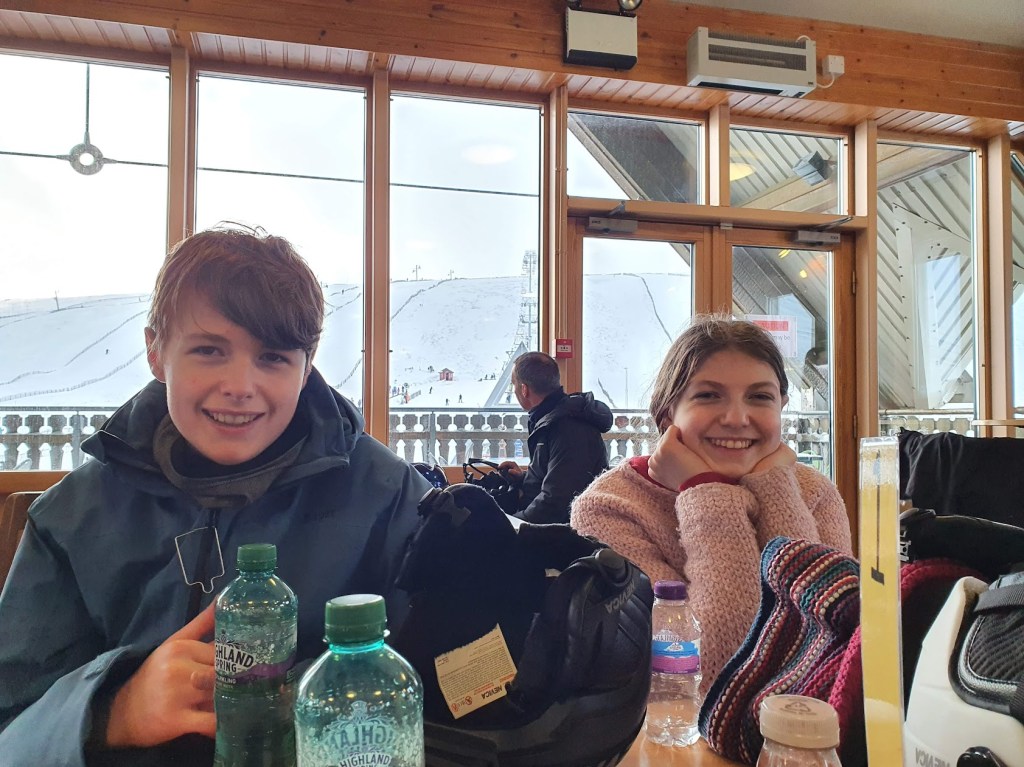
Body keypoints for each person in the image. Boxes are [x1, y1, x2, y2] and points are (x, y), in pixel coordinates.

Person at [0, 226, 430, 767]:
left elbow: (445, 689)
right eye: (209, 350)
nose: (240, 385)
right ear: (156, 352)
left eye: (272, 357)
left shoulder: (387, 495)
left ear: (307, 363)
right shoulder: (71, 518)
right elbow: (11, 722)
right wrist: (114, 711)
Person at [570, 315, 852, 691]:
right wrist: (705, 491)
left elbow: (828, 654)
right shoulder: (610, 509)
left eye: (760, 397)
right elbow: (706, 673)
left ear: (782, 406)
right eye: (708, 395)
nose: (736, 418)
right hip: (678, 742)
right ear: (667, 412)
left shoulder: (814, 493)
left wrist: (776, 489)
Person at [499, 351, 612, 525]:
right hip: (548, 530)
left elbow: (555, 504)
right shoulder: (552, 418)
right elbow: (559, 478)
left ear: (524, 389)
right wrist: (524, 478)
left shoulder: (569, 428)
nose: (514, 390)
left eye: (514, 385)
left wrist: (509, 526)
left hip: (563, 539)